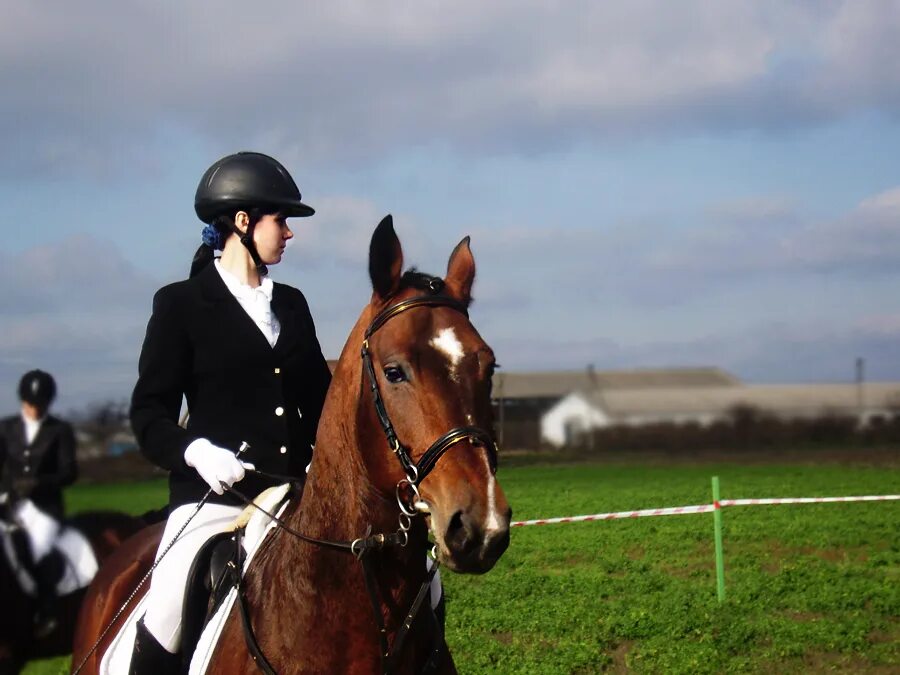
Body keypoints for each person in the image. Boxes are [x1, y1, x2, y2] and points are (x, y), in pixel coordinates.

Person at [128, 152, 333, 672]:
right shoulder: (181, 304)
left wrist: (323, 457)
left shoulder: (292, 304)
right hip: (215, 501)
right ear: (243, 222)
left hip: (295, 499)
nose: (289, 233)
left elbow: (322, 402)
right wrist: (197, 452)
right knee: (170, 605)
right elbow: (149, 415)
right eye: (280, 220)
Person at [0, 369, 78, 637]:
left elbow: (69, 472)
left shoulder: (59, 430)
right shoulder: (6, 428)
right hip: (10, 506)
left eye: (40, 405)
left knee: (37, 549)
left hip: (45, 510)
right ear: (23, 401)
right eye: (31, 404)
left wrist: (38, 483)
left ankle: (45, 612)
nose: (35, 410)